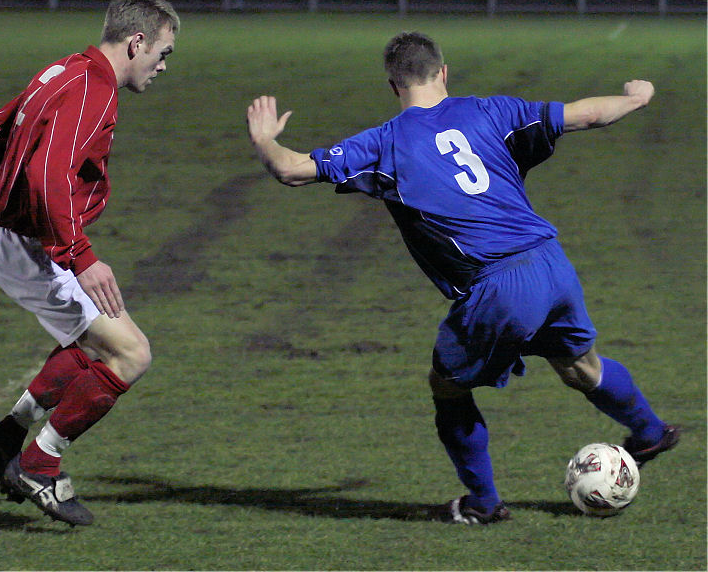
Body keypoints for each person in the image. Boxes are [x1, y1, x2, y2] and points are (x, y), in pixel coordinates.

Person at [246, 31, 679, 525]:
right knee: (580, 365)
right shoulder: (492, 111)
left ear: (393, 85)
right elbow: (586, 113)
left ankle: (483, 503)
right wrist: (636, 98)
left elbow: (292, 170)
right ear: (443, 73)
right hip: (550, 262)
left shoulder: (383, 142)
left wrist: (264, 140)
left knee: (447, 386)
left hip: (498, 286)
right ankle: (651, 432)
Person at [0, 0, 179, 526]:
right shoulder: (94, 88)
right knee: (131, 354)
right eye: (164, 52)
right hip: (31, 243)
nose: (163, 66)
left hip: (20, 234)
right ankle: (40, 464)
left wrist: (4, 198)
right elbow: (48, 175)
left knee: (93, 342)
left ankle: (6, 436)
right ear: (137, 42)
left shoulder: (65, 69)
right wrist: (79, 254)